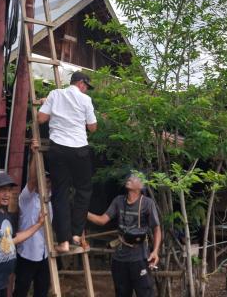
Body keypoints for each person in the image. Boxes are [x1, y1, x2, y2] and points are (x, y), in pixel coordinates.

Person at [38, 71, 97, 253]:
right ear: (80, 83)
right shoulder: (85, 100)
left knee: (60, 193)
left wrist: (46, 103)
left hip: (58, 149)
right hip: (79, 149)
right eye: (86, 86)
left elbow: (41, 119)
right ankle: (77, 234)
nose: (86, 90)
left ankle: (63, 241)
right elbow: (93, 128)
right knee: (84, 190)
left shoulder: (55, 94)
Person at [87, 173, 161, 297]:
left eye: (135, 178)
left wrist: (155, 251)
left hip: (140, 258)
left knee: (145, 293)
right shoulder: (118, 201)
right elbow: (102, 220)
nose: (130, 179)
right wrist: (84, 212)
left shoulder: (147, 203)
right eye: (130, 177)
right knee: (121, 294)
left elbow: (157, 229)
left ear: (141, 186)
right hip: (119, 259)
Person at [13, 140, 52, 297]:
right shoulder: (27, 197)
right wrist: (35, 154)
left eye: (49, 182)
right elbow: (32, 180)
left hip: (44, 254)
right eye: (44, 181)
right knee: (21, 290)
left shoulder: (50, 199)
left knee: (42, 291)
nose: (47, 185)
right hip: (27, 254)